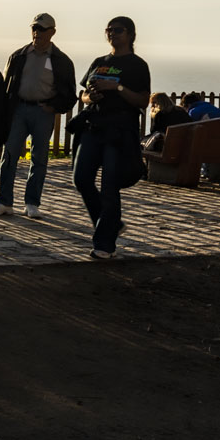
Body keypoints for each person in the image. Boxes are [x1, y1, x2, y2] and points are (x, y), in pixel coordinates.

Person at [72, 17, 151, 260]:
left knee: (109, 186)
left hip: (118, 130)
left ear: (130, 34)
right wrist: (90, 97)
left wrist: (115, 88)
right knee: (81, 179)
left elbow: (143, 101)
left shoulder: (137, 65)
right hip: (94, 126)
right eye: (108, 30)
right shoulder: (99, 62)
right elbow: (84, 93)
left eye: (117, 30)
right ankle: (110, 223)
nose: (112, 34)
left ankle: (104, 244)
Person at [0, 12, 76, 220]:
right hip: (18, 110)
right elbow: (5, 85)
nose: (37, 33)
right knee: (9, 155)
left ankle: (32, 203)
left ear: (52, 32)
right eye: (35, 28)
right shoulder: (18, 56)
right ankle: (4, 201)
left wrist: (53, 107)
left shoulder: (61, 61)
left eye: (43, 29)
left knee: (39, 159)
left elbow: (69, 94)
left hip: (43, 113)